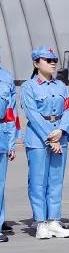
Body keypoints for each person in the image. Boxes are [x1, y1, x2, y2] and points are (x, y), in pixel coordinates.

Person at [22, 46, 69, 240]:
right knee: (38, 181)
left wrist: (61, 131)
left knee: (56, 180)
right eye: (47, 60)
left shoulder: (61, 86)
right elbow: (32, 114)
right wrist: (50, 137)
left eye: (54, 60)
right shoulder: (29, 87)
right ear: (36, 63)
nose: (52, 63)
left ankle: (53, 220)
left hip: (60, 135)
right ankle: (41, 222)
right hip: (38, 138)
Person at [0, 56, 18, 243]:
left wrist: (12, 141)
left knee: (0, 183)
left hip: (1, 134)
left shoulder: (6, 78)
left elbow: (11, 112)